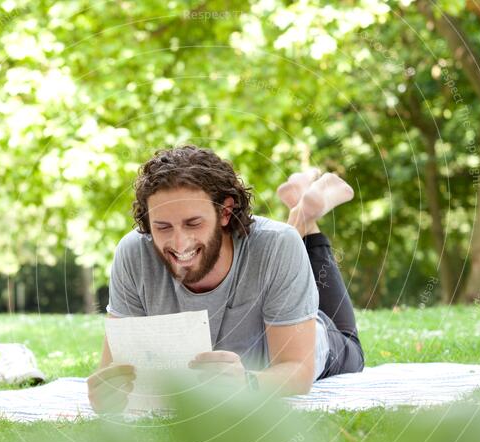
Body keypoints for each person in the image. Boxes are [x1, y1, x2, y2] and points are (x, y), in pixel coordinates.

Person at [87, 145, 364, 413]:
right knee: (281, 246)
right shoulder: (134, 252)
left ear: (225, 212)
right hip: (275, 260)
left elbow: (297, 370)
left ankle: (303, 217)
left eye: (193, 223)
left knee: (351, 346)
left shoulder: (278, 245)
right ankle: (301, 208)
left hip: (296, 339)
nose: (179, 242)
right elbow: (112, 370)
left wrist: (247, 383)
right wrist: (107, 393)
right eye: (162, 227)